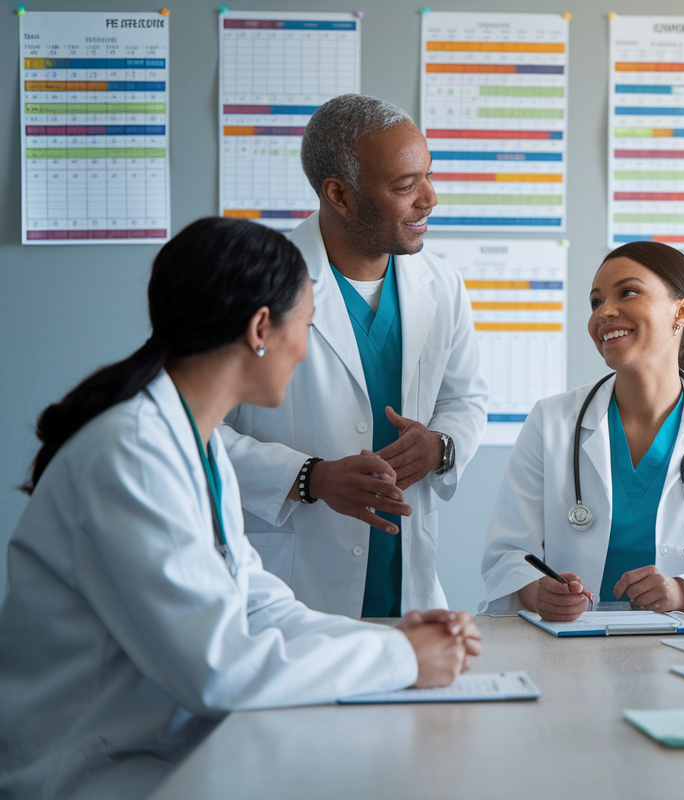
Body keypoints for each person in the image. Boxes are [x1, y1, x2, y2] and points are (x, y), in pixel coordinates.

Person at [0, 218, 482, 800]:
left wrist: (391, 640)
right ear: (260, 328)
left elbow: (254, 597)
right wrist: (403, 659)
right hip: (96, 773)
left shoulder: (187, 438)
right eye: (304, 326)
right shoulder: (131, 455)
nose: (305, 351)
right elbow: (220, 670)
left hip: (163, 751)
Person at [219, 95, 487, 618]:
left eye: (429, 176)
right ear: (339, 194)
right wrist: (307, 476)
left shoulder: (442, 283)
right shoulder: (251, 286)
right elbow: (198, 429)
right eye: (406, 186)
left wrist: (441, 446)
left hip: (407, 580)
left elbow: (466, 400)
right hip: (293, 581)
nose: (430, 198)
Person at [480, 242, 684, 618]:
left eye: (628, 292)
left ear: (682, 311)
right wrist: (535, 591)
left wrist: (683, 592)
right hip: (571, 650)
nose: (604, 313)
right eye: (595, 302)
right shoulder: (552, 421)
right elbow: (508, 554)